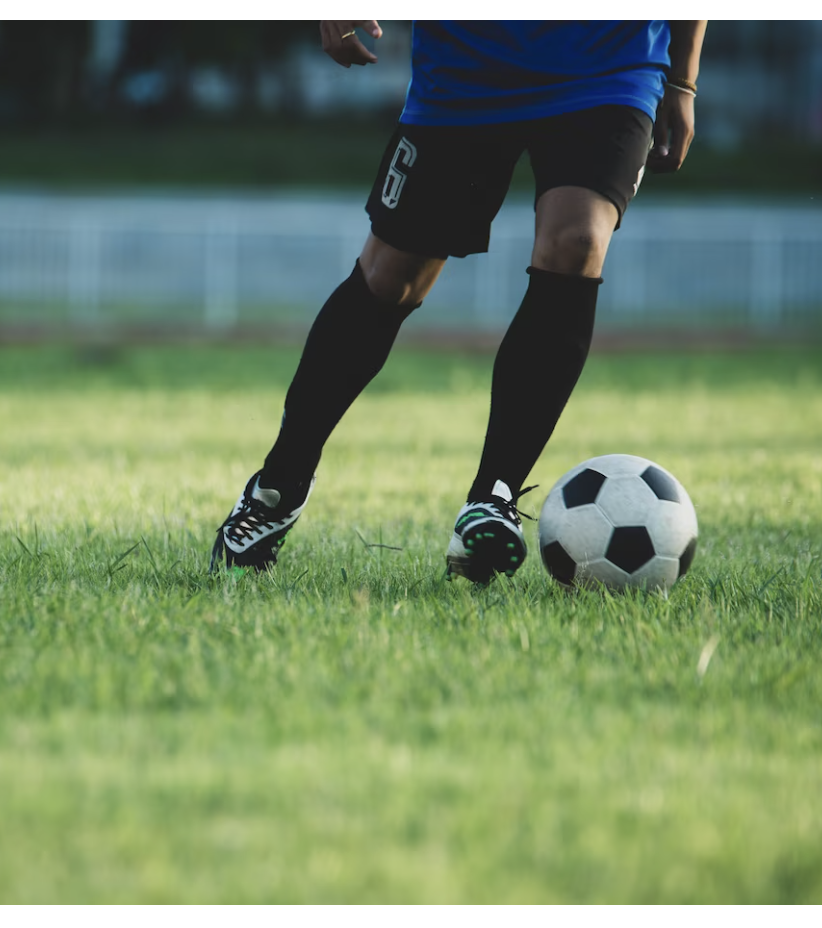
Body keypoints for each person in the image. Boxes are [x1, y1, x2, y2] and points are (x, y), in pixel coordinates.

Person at [209, 19, 706, 583]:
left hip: (609, 59)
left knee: (578, 240)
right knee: (391, 274)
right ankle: (279, 485)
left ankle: (492, 496)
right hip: (470, 59)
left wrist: (684, 82)